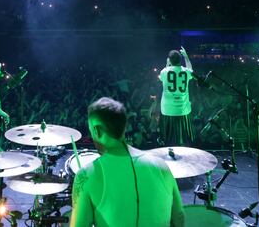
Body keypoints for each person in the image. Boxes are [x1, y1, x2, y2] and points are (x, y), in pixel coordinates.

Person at [70, 97, 184, 227]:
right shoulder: (162, 166)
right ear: (125, 127)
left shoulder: (86, 175)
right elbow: (179, 216)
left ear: (97, 130)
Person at [158, 46, 195, 146]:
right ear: (180, 59)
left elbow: (163, 75)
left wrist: (167, 64)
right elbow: (191, 70)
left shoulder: (164, 71)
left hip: (167, 110)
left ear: (170, 60)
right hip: (183, 110)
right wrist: (186, 57)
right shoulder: (186, 71)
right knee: (184, 140)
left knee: (168, 140)